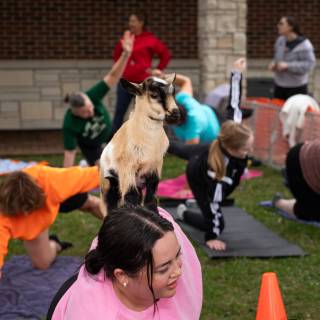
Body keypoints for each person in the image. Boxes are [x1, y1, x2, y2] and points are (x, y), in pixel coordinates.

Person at [51, 206, 202, 319]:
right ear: (122, 275)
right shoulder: (96, 315)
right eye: (163, 269)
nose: (178, 272)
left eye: (178, 255)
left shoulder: (164, 237)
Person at [172, 58, 255, 251]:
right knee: (216, 222)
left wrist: (237, 73)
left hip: (206, 151)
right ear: (233, 150)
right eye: (245, 150)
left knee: (175, 147)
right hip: (197, 174)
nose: (249, 151)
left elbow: (234, 101)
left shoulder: (233, 128)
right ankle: (184, 212)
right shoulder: (219, 173)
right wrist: (212, 236)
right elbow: (215, 205)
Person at [0, 165, 104, 280]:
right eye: (22, 211)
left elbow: (100, 174)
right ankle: (56, 244)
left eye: (28, 209)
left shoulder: (52, 181)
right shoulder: (2, 218)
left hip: (55, 197)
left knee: (91, 204)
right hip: (37, 223)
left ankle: (123, 226)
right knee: (42, 263)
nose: (25, 213)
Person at [62, 31, 134, 167]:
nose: (91, 112)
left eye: (91, 107)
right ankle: (88, 164)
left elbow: (112, 76)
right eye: (86, 112)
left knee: (125, 160)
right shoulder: (69, 123)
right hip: (90, 146)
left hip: (108, 132)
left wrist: (126, 54)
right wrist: (65, 181)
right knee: (103, 171)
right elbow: (69, 153)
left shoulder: (92, 95)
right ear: (75, 112)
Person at [111, 11, 171, 136]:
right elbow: (116, 57)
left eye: (133, 21)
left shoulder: (150, 39)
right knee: (119, 112)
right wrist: (122, 69)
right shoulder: (126, 39)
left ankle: (144, 139)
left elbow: (165, 54)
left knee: (143, 113)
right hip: (125, 82)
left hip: (142, 84)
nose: (130, 24)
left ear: (141, 23)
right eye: (130, 21)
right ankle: (112, 141)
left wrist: (158, 70)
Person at [268, 16, 316, 100]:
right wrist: (274, 64)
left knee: (295, 112)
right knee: (279, 111)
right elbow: (277, 58)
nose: (278, 26)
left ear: (291, 26)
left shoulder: (304, 45)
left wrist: (288, 66)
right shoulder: (280, 40)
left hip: (296, 86)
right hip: (279, 85)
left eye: (281, 24)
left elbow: (310, 64)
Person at [273, 139, 320, 221]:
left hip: (308, 159)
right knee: (311, 212)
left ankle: (288, 177)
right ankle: (278, 202)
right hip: (298, 163)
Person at [169, 73, 221, 144]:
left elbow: (190, 151)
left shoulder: (193, 125)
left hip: (212, 138)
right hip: (209, 112)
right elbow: (186, 81)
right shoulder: (181, 98)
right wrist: (163, 77)